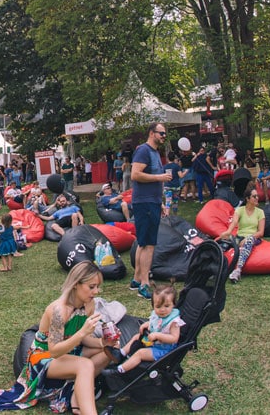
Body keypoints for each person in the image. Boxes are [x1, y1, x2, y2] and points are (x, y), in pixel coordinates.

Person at [0, 262, 113, 414]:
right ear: (76, 284)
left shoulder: (89, 305)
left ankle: (75, 397)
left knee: (108, 351)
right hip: (44, 357)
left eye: (98, 286)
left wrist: (102, 342)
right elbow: (55, 351)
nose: (96, 291)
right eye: (91, 287)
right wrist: (82, 333)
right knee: (85, 365)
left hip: (71, 351)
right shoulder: (59, 310)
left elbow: (84, 340)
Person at [130, 122, 172, 300]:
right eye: (161, 133)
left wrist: (160, 202)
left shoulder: (154, 153)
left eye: (164, 134)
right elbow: (135, 174)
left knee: (142, 242)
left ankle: (136, 279)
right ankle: (144, 285)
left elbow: (154, 181)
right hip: (144, 202)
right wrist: (159, 177)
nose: (163, 136)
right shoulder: (143, 151)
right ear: (151, 133)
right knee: (149, 245)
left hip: (152, 202)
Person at [103, 284, 185, 374]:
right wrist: (147, 324)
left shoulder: (174, 322)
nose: (162, 310)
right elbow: (155, 323)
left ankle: (120, 370)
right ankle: (120, 354)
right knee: (136, 336)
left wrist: (158, 335)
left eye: (166, 306)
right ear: (153, 306)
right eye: (158, 306)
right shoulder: (158, 315)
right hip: (153, 342)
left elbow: (174, 338)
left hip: (164, 350)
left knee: (140, 353)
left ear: (173, 304)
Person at [216, 187, 265, 283]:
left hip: (253, 237)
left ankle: (238, 270)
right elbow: (234, 222)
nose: (257, 198)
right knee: (224, 244)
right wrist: (228, 231)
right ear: (247, 199)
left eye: (257, 196)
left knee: (249, 240)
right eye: (254, 196)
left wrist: (248, 238)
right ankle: (213, 267)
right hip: (240, 237)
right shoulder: (240, 210)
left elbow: (261, 232)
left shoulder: (260, 212)